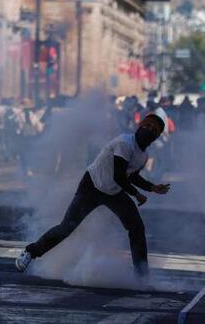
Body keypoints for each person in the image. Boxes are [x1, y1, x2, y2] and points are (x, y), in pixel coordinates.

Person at [15, 108, 171, 281]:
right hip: (92, 186)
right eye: (147, 125)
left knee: (136, 228)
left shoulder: (143, 156)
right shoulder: (125, 143)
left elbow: (131, 175)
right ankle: (30, 252)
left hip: (114, 192)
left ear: (156, 137)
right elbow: (118, 175)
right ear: (139, 125)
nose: (149, 130)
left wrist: (152, 187)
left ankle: (142, 276)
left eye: (153, 130)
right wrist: (137, 195)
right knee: (67, 227)